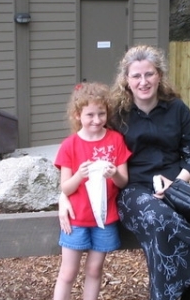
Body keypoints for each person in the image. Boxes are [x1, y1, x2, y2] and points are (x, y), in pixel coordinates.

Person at [59, 46, 190, 300]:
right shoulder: (116, 113)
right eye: (136, 76)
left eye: (149, 74)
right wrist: (63, 196)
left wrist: (175, 183)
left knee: (160, 229)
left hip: (173, 188)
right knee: (157, 215)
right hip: (132, 190)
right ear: (126, 80)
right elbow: (85, 148)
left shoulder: (177, 109)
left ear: (159, 75)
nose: (143, 82)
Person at [53, 82, 132, 300]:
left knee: (95, 270)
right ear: (78, 115)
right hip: (76, 219)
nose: (96, 120)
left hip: (105, 219)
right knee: (68, 272)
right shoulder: (69, 145)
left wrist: (114, 172)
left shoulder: (116, 140)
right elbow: (66, 187)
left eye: (101, 114)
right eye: (90, 115)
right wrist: (79, 175)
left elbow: (123, 181)